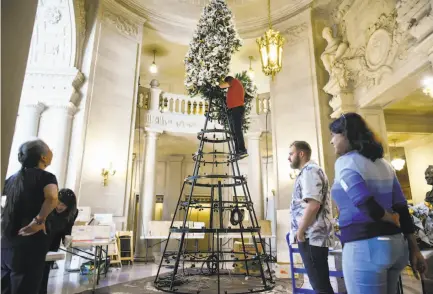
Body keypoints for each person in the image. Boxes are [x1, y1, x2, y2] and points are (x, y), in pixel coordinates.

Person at [329, 112, 427, 294]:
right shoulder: (384, 164)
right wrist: (415, 249)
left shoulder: (345, 162)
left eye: (334, 135)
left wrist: (388, 217)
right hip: (396, 246)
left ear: (347, 134)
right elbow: (402, 207)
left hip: (365, 247)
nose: (331, 141)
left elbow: (365, 203)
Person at [1, 139, 59, 294]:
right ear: (43, 157)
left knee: (5, 287)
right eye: (49, 149)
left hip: (7, 241)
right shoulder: (46, 177)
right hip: (30, 243)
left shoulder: (12, 178)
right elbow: (52, 197)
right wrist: (39, 220)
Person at [288, 141, 334, 294]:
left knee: (321, 287)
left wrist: (300, 232)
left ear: (301, 154)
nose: (289, 158)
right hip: (312, 236)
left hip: (311, 236)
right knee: (321, 285)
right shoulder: (309, 171)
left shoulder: (310, 171)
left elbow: (313, 205)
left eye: (291, 154)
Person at [39, 189, 78, 294]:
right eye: (59, 203)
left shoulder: (73, 213)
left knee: (45, 271)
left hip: (53, 243)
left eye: (63, 205)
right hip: (39, 241)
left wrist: (67, 238)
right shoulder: (48, 207)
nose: (59, 207)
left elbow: (68, 228)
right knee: (36, 273)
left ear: (69, 207)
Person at [219, 76, 247, 157]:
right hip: (234, 109)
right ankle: (237, 151)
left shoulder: (234, 81)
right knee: (234, 131)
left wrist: (217, 85)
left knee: (237, 130)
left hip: (237, 108)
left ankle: (242, 149)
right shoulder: (235, 86)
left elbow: (222, 86)